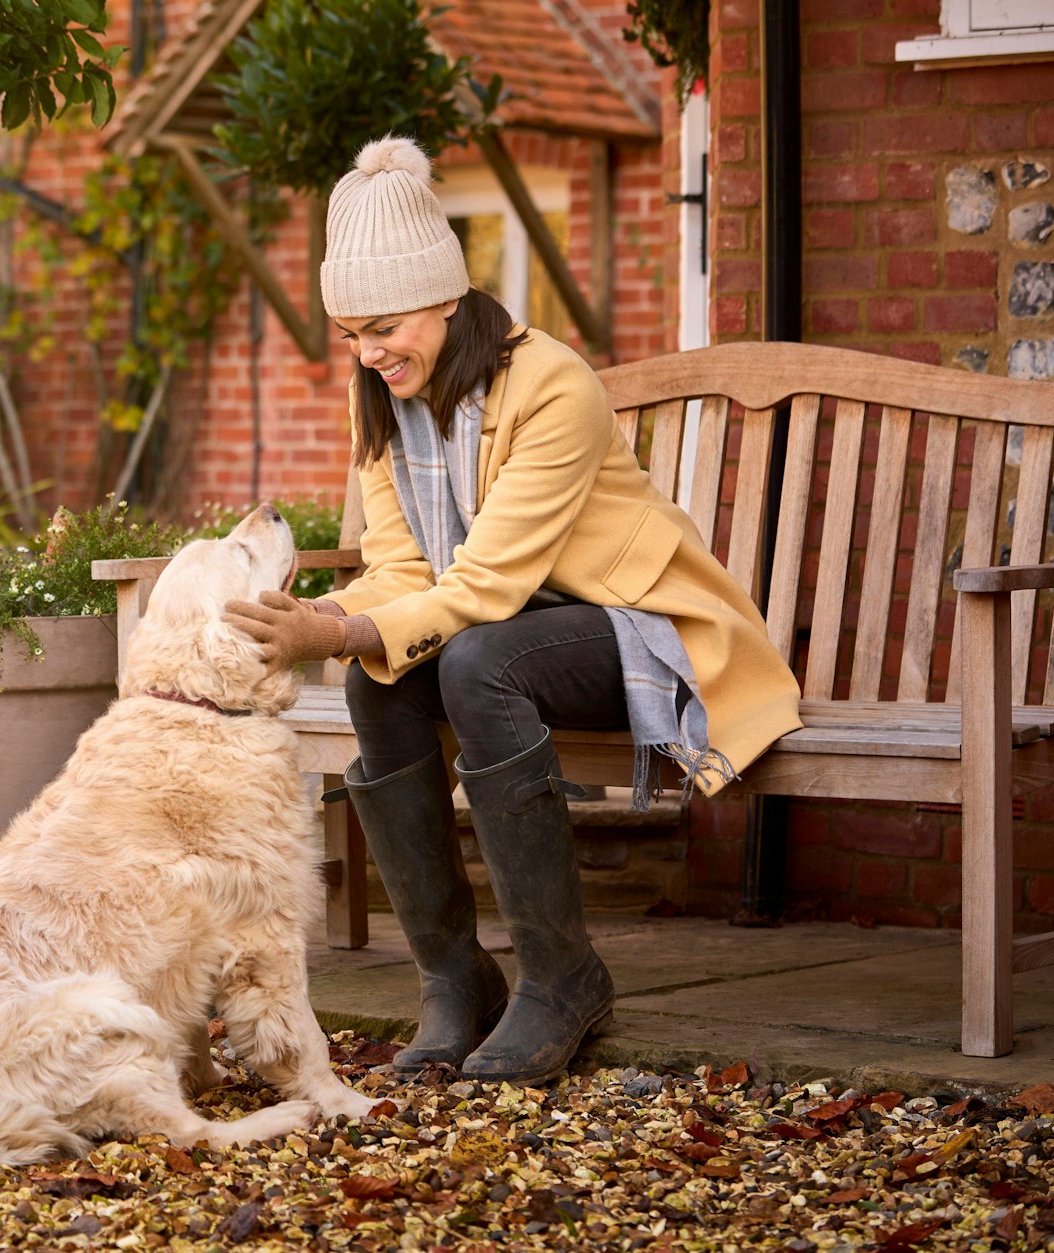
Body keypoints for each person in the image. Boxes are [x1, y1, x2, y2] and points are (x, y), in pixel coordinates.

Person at [224, 136, 803, 1087]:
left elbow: (485, 585)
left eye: (385, 326)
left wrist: (333, 632)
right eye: (351, 334)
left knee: (470, 658)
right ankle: (455, 977)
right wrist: (323, 614)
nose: (369, 353)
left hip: (638, 630)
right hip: (507, 642)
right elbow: (401, 568)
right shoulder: (382, 400)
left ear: (447, 297)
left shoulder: (552, 385)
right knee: (384, 679)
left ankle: (563, 976)